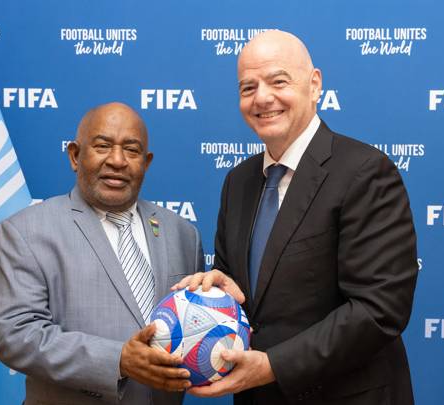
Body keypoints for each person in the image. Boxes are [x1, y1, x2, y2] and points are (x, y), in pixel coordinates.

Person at [176, 30, 418, 404]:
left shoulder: (365, 171)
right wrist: (224, 293)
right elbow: (250, 298)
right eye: (247, 87)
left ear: (314, 84)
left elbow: (379, 309)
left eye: (278, 81)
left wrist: (273, 365)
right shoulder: (237, 182)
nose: (262, 98)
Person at [0, 102, 203, 405]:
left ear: (146, 161)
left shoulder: (183, 234)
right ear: (75, 155)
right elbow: (16, 335)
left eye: (132, 150)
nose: (117, 160)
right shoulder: (25, 231)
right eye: (103, 146)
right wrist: (118, 359)